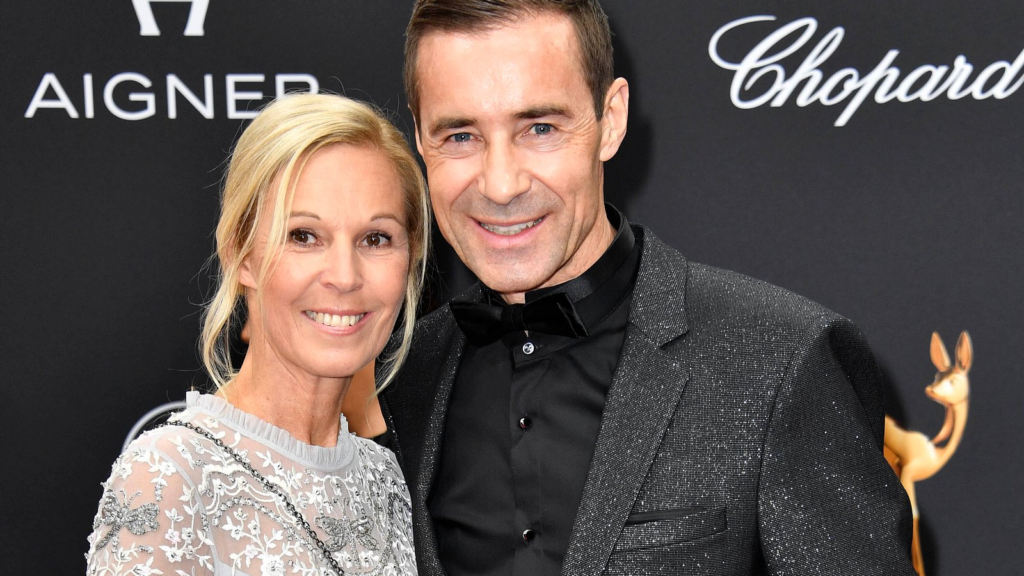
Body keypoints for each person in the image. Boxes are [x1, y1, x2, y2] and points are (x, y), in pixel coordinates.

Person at [378, 1, 916, 575]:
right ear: (421, 140)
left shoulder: (781, 361)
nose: (501, 184)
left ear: (610, 119)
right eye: (460, 136)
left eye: (540, 129)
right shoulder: (397, 379)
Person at [85, 93, 430, 575]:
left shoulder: (390, 481)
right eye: (303, 236)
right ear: (240, 254)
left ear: (410, 258)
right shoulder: (170, 477)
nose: (345, 276)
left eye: (376, 239)